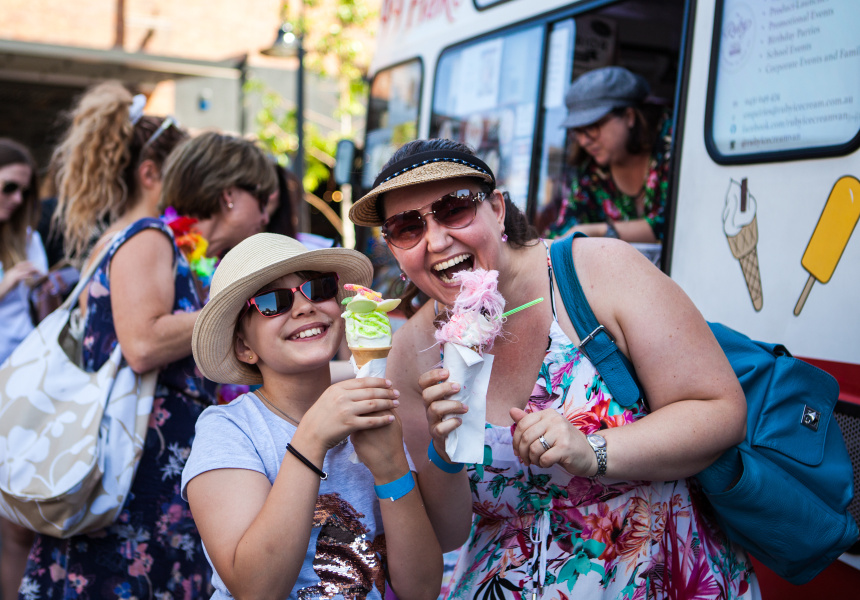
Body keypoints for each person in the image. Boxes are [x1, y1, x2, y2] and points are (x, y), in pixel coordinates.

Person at [348, 139, 759, 598]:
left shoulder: (597, 271)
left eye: (454, 209)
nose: (437, 240)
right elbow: (449, 534)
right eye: (407, 228)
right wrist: (444, 454)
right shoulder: (413, 350)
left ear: (498, 210)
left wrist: (594, 451)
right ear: (393, 249)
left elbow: (721, 411)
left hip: (659, 572)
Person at [18, 81, 273, 599]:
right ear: (230, 195)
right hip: (130, 482)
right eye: (261, 200)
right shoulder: (151, 236)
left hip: (160, 475)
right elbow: (142, 344)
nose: (267, 215)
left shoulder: (193, 258)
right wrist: (233, 310)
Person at [181, 233, 442, 599]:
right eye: (272, 302)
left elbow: (422, 590)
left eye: (317, 288)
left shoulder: (373, 409)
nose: (304, 307)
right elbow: (256, 590)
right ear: (244, 347)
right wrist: (311, 439)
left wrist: (392, 469)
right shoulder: (228, 430)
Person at [541, 66, 671, 248]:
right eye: (577, 131)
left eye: (592, 126)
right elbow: (561, 230)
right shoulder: (593, 173)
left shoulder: (671, 146)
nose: (584, 141)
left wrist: (602, 232)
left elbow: (674, 224)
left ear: (629, 116)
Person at [0, 138, 46, 600]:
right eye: (8, 187)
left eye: (23, 192)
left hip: (19, 390)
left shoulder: (28, 237)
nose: (15, 200)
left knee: (14, 523)